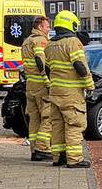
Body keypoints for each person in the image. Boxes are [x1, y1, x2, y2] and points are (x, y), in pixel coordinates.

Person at [45, 10, 94, 168]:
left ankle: (58, 157)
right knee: (74, 125)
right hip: (71, 94)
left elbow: (47, 69)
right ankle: (74, 159)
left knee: (57, 125)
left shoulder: (50, 44)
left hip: (55, 92)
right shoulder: (73, 42)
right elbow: (80, 65)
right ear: (71, 24)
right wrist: (90, 84)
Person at [21, 16, 52, 161]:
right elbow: (40, 60)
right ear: (40, 27)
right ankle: (42, 148)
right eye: (47, 27)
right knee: (48, 117)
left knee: (34, 119)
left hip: (30, 86)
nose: (49, 29)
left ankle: (34, 150)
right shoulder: (40, 40)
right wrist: (46, 79)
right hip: (41, 85)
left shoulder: (27, 41)